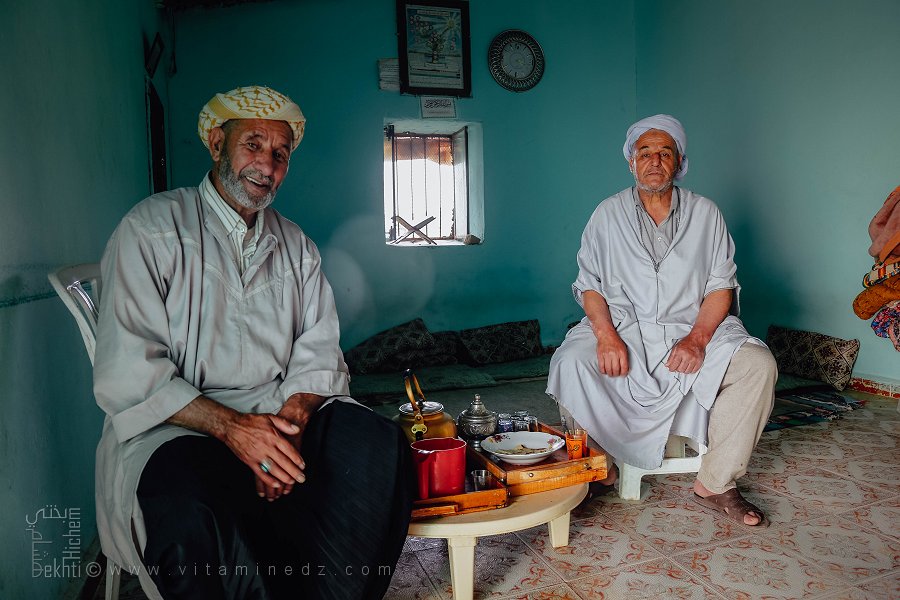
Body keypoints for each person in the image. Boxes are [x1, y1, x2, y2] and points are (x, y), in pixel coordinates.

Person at [93, 85, 414, 599]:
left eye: (281, 153)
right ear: (217, 143)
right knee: (190, 502)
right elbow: (130, 366)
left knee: (379, 448)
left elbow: (319, 350)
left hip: (280, 418)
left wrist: (283, 433)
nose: (267, 164)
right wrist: (236, 431)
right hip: (176, 426)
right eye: (254, 144)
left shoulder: (296, 246)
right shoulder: (152, 228)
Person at [547, 114, 776, 526]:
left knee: (757, 365)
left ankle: (716, 482)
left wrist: (698, 339)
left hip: (693, 325)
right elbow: (590, 284)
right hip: (624, 326)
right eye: (645, 152)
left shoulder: (706, 214)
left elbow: (720, 287)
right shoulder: (606, 213)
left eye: (664, 153)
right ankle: (600, 470)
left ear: (679, 162)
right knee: (570, 362)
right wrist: (605, 336)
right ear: (631, 162)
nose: (654, 161)